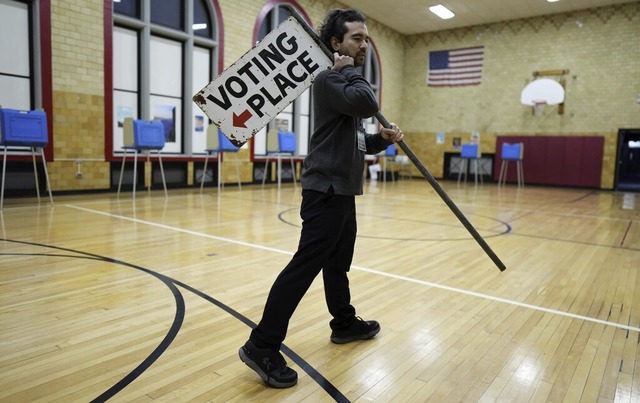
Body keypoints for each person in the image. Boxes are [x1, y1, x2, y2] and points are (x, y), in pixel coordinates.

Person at [239, 8, 404, 388]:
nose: (364, 45)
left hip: (342, 190)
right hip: (325, 191)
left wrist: (383, 140)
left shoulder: (343, 85)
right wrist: (347, 69)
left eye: (366, 38)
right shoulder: (331, 79)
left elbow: (357, 139)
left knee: (337, 264)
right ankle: (261, 344)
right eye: (356, 39)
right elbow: (366, 101)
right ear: (336, 44)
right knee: (304, 267)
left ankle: (343, 323)